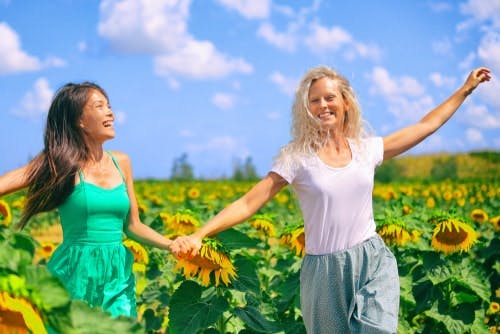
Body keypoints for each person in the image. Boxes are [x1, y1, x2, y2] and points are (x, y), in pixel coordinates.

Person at [171, 66, 491, 333]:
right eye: (315, 101)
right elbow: (248, 202)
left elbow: (426, 126)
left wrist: (465, 89)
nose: (323, 105)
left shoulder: (366, 150)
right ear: (306, 109)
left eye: (330, 97)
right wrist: (199, 235)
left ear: (346, 102)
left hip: (372, 258)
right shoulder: (297, 159)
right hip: (323, 272)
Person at [0, 82, 173, 318]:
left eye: (109, 106)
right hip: (74, 272)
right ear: (80, 121)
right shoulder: (59, 163)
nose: (110, 112)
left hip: (116, 276)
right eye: (99, 106)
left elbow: (133, 226)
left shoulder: (121, 162)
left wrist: (171, 244)